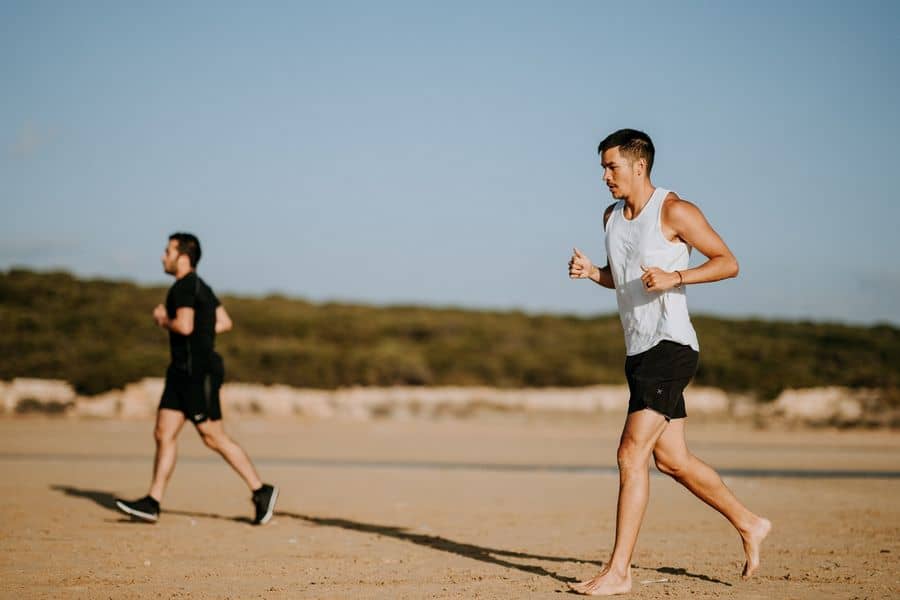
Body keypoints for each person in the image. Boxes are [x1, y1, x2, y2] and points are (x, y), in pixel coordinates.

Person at [567, 129, 771, 595]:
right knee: (672, 460)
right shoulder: (611, 217)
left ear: (639, 166)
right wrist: (592, 273)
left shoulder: (674, 210)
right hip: (639, 350)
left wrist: (677, 275)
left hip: (671, 346)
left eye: (611, 166)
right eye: (602, 167)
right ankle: (749, 522)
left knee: (629, 454)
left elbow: (727, 261)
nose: (604, 176)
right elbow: (623, 283)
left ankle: (619, 572)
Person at [115, 233, 278, 525]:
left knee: (213, 437)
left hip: (197, 374)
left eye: (167, 251)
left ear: (183, 257)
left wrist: (163, 319)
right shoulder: (201, 287)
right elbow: (224, 322)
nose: (163, 257)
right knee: (163, 433)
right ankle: (152, 502)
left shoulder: (184, 287)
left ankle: (261, 490)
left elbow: (185, 326)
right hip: (180, 372)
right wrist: (203, 329)